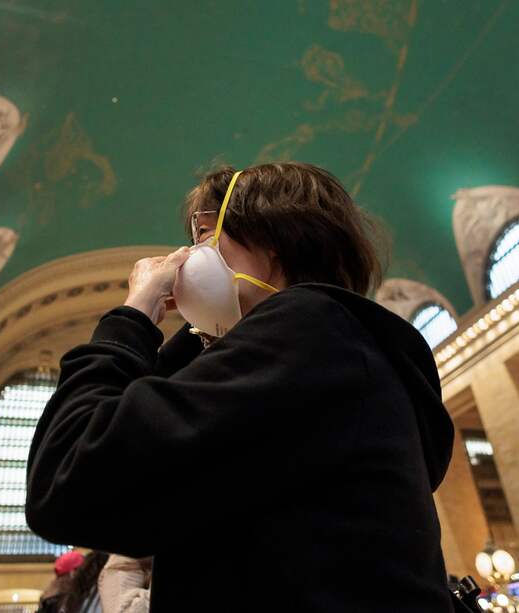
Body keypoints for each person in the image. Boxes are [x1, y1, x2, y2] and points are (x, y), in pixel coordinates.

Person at [25, 163, 456, 612]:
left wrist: (132, 316)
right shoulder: (332, 349)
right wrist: (204, 333)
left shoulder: (309, 329)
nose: (188, 258)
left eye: (206, 236)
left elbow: (70, 475)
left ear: (274, 236)